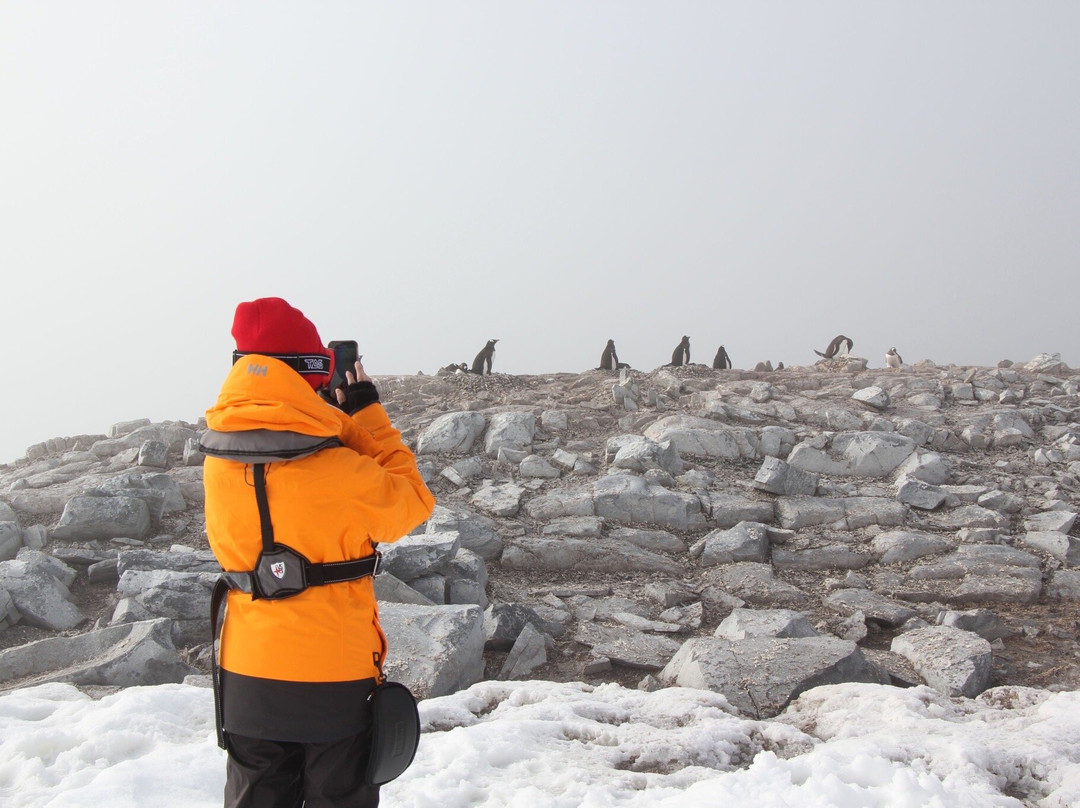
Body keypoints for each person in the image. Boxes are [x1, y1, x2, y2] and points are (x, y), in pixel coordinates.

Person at [201, 297, 435, 808]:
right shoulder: (338, 465)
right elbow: (413, 503)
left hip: (246, 673)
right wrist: (364, 416)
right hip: (332, 675)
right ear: (308, 372)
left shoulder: (216, 460)